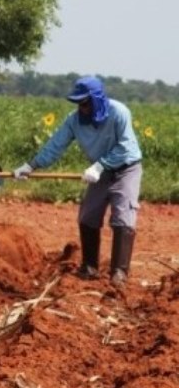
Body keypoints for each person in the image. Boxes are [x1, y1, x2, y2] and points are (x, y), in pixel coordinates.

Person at [13, 76, 142, 287]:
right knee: (88, 216)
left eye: (85, 103)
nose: (81, 108)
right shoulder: (74, 121)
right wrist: (31, 166)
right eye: (78, 104)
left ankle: (119, 272)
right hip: (99, 173)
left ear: (97, 99)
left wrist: (100, 166)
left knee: (123, 216)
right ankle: (90, 267)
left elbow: (126, 148)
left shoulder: (119, 112)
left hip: (126, 169)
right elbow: (56, 145)